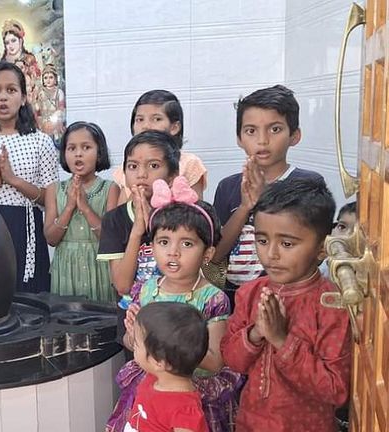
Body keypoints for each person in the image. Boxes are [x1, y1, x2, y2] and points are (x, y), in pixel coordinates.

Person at [107, 177, 243, 432]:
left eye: (187, 243)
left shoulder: (212, 299)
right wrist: (134, 334)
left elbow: (214, 362)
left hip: (190, 396)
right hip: (150, 389)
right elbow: (132, 343)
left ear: (208, 253)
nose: (173, 252)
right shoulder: (147, 289)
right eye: (164, 241)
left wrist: (171, 347)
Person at [221, 178, 351, 432]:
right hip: (250, 423)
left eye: (287, 244)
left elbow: (336, 390)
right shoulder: (250, 293)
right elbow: (232, 361)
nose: (271, 254)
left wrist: (282, 340)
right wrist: (256, 333)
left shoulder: (332, 305)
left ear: (323, 248)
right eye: (262, 240)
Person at [212, 85, 324, 302]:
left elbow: (314, 254)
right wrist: (245, 207)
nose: (262, 140)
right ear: (239, 138)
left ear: (294, 135)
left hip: (287, 296)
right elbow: (215, 255)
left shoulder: (308, 183)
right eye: (251, 131)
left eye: (275, 129)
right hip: (233, 297)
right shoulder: (227, 187)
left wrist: (265, 200)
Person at [0, 62, 58, 294]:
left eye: (11, 90)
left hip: (27, 227)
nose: (3, 98)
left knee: (30, 300)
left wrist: (13, 180)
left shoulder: (41, 141)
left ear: (24, 97)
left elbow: (51, 198)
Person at [97, 130, 180, 295]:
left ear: (172, 176)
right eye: (133, 166)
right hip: (132, 317)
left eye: (154, 166)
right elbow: (122, 286)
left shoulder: (182, 216)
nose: (141, 174)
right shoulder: (114, 219)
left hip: (174, 314)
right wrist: (137, 231)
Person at [44, 121, 119, 302]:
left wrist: (84, 207)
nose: (78, 153)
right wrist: (70, 206)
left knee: (101, 324)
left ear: (99, 152)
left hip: (99, 268)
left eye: (86, 147)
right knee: (67, 326)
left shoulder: (111, 189)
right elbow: (51, 239)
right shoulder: (53, 189)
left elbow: (111, 238)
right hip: (65, 270)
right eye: (71, 148)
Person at [116, 302, 210, 432]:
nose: (134, 348)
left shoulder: (184, 411)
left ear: (158, 361)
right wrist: (139, 332)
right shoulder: (156, 376)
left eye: (136, 344)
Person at [112, 90, 207, 204]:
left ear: (174, 127)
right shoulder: (130, 165)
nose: (146, 126)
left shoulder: (190, 163)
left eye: (156, 119)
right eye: (140, 119)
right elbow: (120, 214)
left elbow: (197, 213)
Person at [1, 19, 41, 103]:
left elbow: (37, 83)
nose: (10, 45)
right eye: (7, 42)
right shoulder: (2, 63)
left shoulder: (29, 59)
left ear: (20, 40)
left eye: (13, 40)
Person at [35, 64, 66, 142]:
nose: (48, 80)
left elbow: (61, 108)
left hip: (56, 121)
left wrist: (56, 115)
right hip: (43, 122)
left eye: (51, 77)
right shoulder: (40, 93)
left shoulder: (59, 92)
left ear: (55, 79)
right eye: (45, 78)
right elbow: (37, 110)